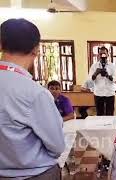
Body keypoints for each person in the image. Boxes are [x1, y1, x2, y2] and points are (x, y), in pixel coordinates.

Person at [0, 18, 65, 179]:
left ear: (1, 44)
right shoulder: (35, 93)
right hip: (34, 174)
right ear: (36, 49)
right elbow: (57, 146)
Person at [88, 46, 116, 116]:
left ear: (107, 55)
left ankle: (109, 127)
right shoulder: (94, 66)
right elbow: (89, 80)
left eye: (104, 54)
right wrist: (96, 73)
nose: (102, 55)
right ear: (98, 55)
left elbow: (115, 79)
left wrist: (108, 76)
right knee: (99, 114)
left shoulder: (112, 66)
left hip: (110, 93)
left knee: (110, 114)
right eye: (100, 54)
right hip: (98, 94)